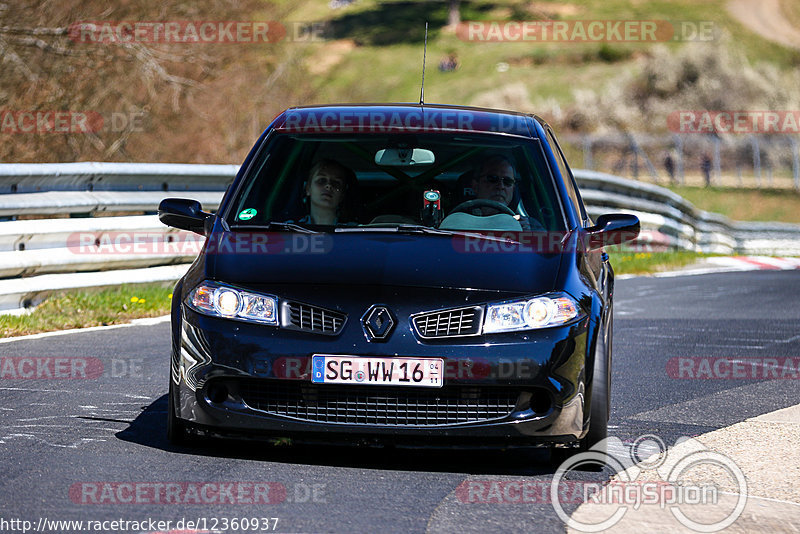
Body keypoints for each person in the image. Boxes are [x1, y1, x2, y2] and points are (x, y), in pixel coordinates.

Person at [467, 154, 543, 230]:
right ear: (475, 186)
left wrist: (528, 236)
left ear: (513, 189)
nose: (501, 186)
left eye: (508, 181)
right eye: (493, 179)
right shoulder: (459, 221)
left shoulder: (529, 226)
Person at [299, 159, 353, 225]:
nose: (329, 185)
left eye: (336, 183)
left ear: (342, 195)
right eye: (322, 180)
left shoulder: (354, 231)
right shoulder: (289, 229)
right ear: (308, 188)